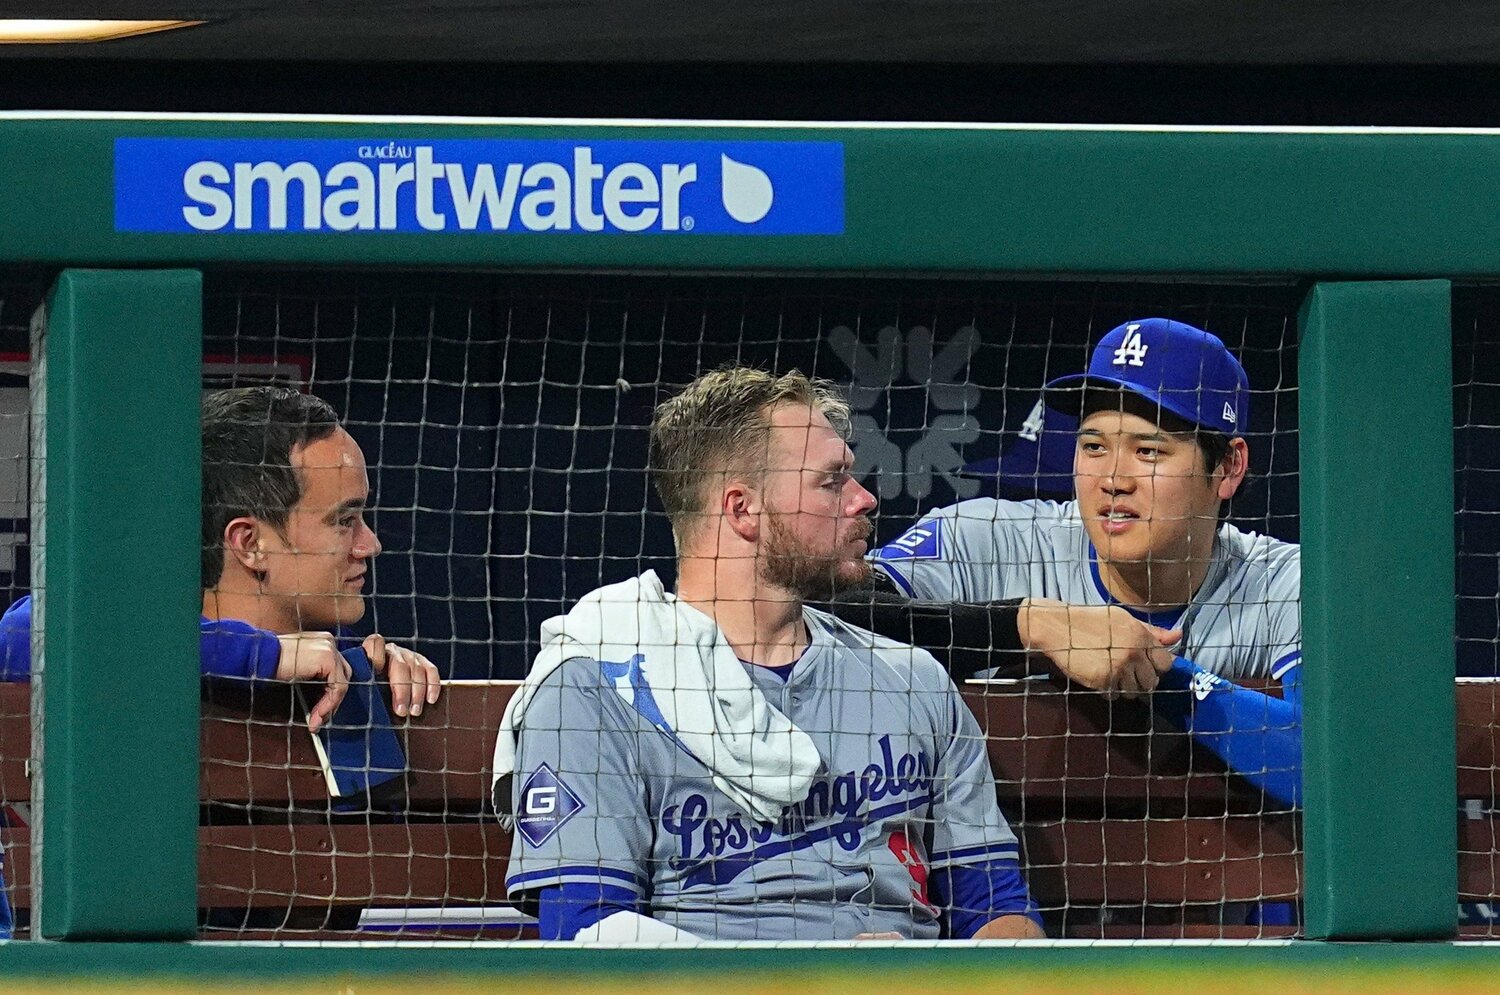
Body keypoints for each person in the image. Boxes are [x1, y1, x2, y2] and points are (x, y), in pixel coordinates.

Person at [494, 367, 1043, 942]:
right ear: (742, 509)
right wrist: (814, 984)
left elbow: (997, 909)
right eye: (831, 483)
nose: (864, 499)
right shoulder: (596, 688)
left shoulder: (911, 680)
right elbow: (586, 935)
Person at [0, 387, 443, 937]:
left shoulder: (352, 680)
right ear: (250, 543)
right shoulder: (117, 666)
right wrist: (266, 654)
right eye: (344, 520)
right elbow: (26, 628)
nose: (369, 544)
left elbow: (336, 905)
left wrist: (388, 687)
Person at [851, 318, 1302, 808]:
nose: (1112, 479)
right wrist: (1030, 625)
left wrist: (1162, 675)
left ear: (1228, 467)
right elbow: (821, 616)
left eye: (1148, 451)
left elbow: (1333, 763)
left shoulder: (1285, 581)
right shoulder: (983, 539)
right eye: (1093, 446)